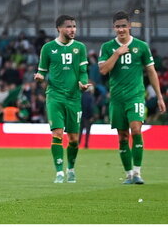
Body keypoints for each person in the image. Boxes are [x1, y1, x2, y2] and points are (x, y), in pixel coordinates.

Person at [98, 11, 165, 185]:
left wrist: (159, 97)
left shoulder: (141, 46)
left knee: (136, 130)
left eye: (124, 26)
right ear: (114, 28)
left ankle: (137, 172)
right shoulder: (107, 47)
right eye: (118, 26)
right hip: (117, 99)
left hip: (135, 96)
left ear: (129, 26)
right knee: (122, 137)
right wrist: (117, 53)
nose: (121, 29)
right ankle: (128, 174)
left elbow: (151, 71)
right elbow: (103, 70)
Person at [34, 14, 90, 183]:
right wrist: (39, 77)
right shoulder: (48, 48)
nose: (72, 29)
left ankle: (71, 168)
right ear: (59, 28)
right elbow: (42, 71)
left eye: (74, 26)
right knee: (57, 133)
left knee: (73, 139)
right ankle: (59, 172)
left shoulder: (80, 47)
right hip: (55, 96)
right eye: (68, 26)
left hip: (74, 98)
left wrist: (83, 83)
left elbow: (83, 71)